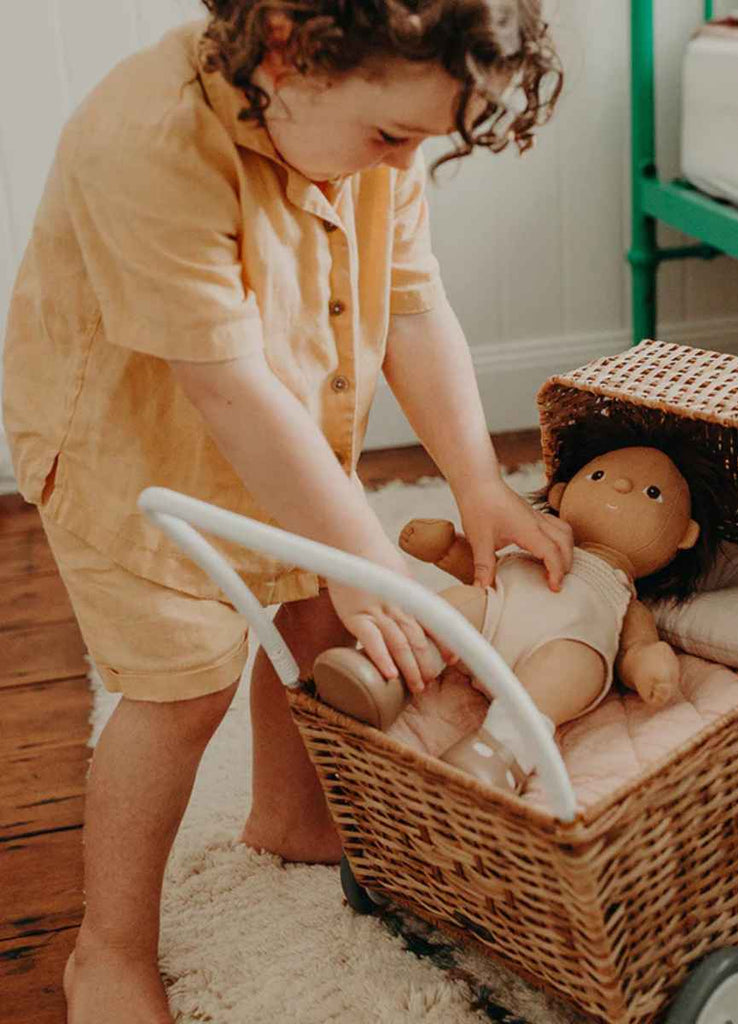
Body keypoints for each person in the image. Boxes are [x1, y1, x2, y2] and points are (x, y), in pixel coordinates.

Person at [1, 3, 568, 1021]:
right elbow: (224, 390)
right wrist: (362, 560)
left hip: (291, 423)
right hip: (135, 457)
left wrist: (478, 482)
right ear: (282, 48)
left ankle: (292, 816)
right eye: (390, 137)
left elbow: (409, 300)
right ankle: (107, 948)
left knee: (311, 613)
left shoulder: (374, 143)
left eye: (421, 143)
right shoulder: (148, 139)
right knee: (184, 687)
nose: (401, 164)